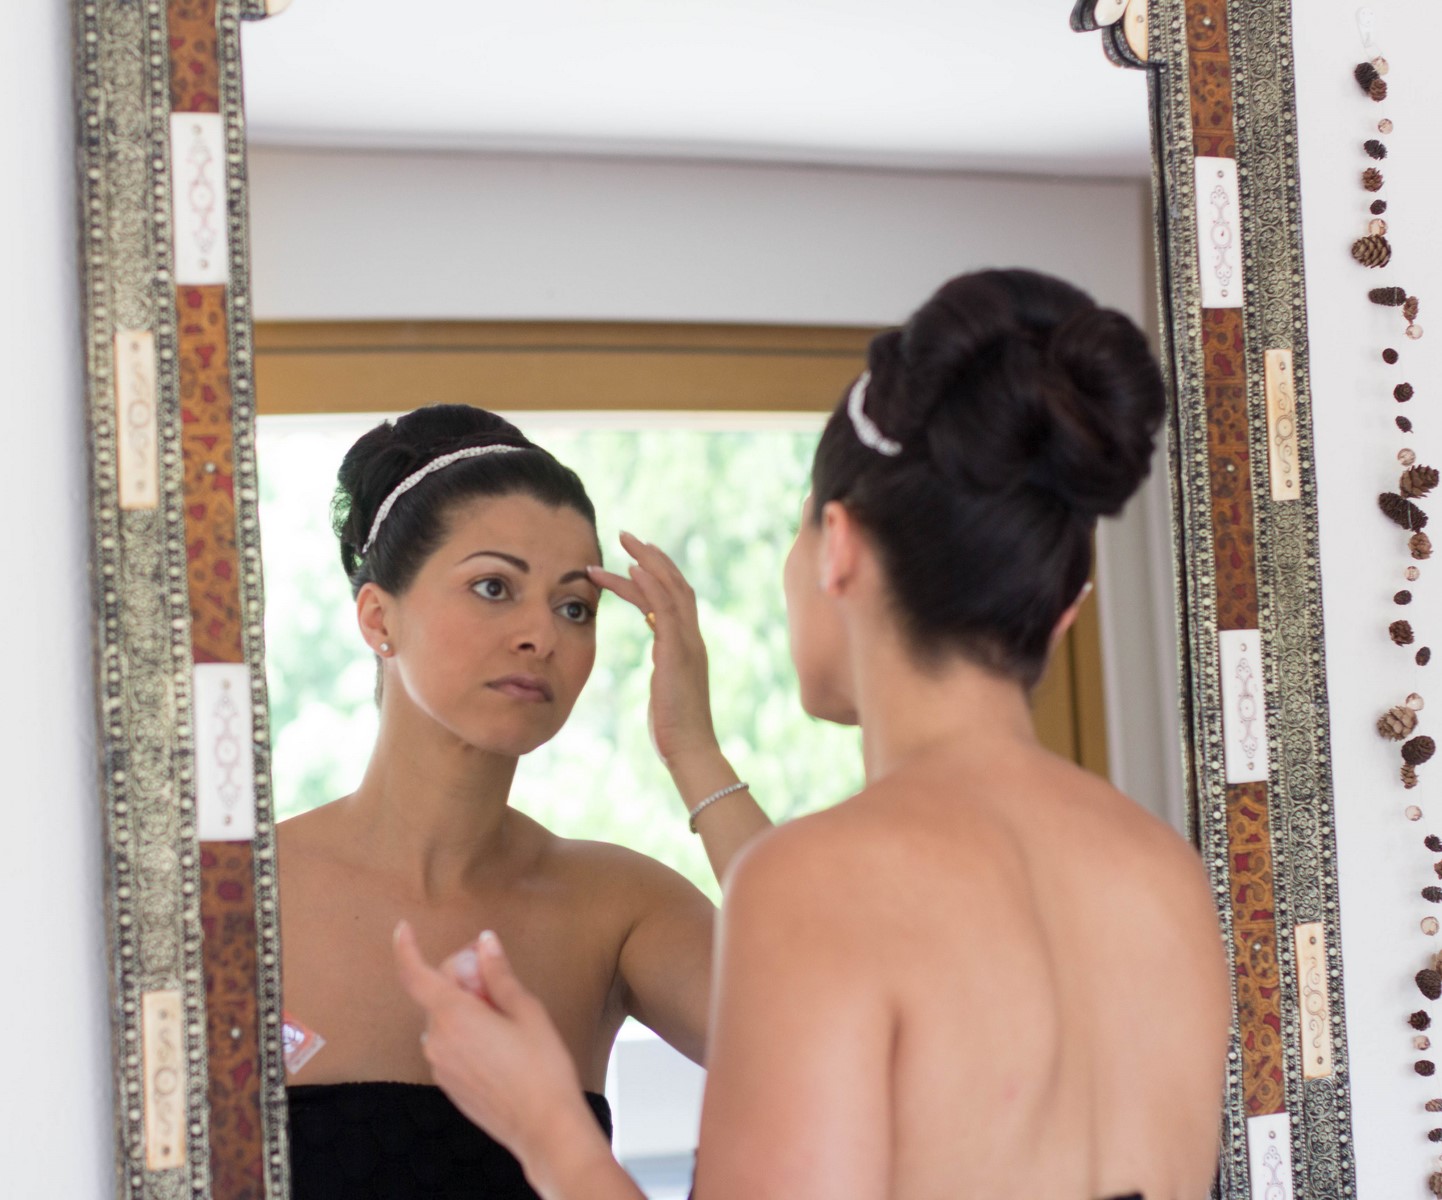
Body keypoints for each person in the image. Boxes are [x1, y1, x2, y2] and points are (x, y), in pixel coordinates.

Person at [393, 270, 1233, 1200]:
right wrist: (693, 748)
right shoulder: (1166, 879)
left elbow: (834, 911)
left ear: (839, 546)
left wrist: (547, 1126)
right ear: (1062, 607)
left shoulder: (820, 884)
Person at [278, 405, 770, 1199]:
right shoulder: (238, 898)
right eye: (494, 587)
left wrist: (693, 749)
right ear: (377, 617)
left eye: (575, 607)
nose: (542, 635)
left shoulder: (618, 908)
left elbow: (835, 1044)